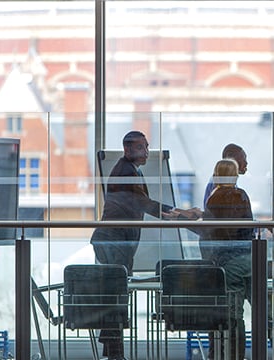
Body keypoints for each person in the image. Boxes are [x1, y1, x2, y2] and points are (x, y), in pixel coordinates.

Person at [90, 130, 197, 360]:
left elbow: (143, 203)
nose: (147, 151)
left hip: (118, 242)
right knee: (116, 296)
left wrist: (177, 213)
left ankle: (112, 353)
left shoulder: (131, 170)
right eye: (141, 147)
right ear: (127, 150)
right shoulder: (125, 172)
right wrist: (178, 214)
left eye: (147, 147)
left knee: (115, 295)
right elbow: (145, 203)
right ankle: (115, 354)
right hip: (113, 242)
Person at [198, 159, 255, 360]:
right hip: (250, 259)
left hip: (229, 262)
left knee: (233, 315)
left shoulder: (215, 198)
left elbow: (211, 232)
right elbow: (249, 228)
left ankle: (234, 356)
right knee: (259, 310)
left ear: (216, 174)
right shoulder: (243, 195)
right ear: (235, 175)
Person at [204, 143, 248, 207]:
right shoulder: (217, 184)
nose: (246, 163)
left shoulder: (224, 182)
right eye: (243, 158)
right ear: (232, 159)